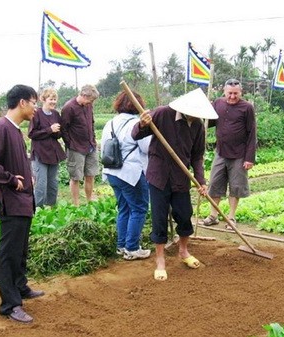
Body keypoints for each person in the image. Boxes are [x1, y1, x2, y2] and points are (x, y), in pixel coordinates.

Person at [0, 84, 44, 324]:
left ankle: (20, 287)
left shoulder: (15, 130)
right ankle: (10, 304)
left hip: (23, 202)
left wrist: (25, 175)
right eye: (34, 102)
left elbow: (12, 160)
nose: (36, 107)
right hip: (11, 203)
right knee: (9, 255)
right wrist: (10, 179)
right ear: (22, 103)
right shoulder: (2, 128)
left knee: (21, 250)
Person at [132, 88, 218, 281]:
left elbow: (197, 157)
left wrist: (200, 181)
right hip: (159, 176)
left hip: (181, 176)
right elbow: (135, 135)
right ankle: (160, 260)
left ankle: (183, 251)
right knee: (159, 218)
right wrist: (142, 124)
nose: (196, 116)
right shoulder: (163, 113)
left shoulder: (198, 127)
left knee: (185, 215)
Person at [101, 91, 152, 260]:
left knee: (124, 208)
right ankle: (132, 248)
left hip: (112, 172)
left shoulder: (110, 123)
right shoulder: (137, 124)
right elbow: (145, 148)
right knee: (138, 208)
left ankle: (121, 245)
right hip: (130, 173)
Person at [200, 79, 257, 229]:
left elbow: (252, 133)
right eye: (230, 93)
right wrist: (203, 111)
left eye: (235, 93)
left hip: (239, 154)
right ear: (224, 92)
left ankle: (231, 217)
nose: (232, 96)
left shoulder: (247, 108)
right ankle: (213, 215)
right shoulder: (218, 103)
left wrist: (249, 158)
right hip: (220, 152)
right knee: (215, 184)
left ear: (241, 92)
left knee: (236, 186)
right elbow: (209, 122)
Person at [61, 84, 100, 206]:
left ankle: (89, 200)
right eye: (90, 100)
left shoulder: (88, 106)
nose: (91, 103)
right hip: (76, 148)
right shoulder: (69, 107)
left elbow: (91, 123)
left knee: (90, 174)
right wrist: (70, 144)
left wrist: (93, 139)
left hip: (90, 146)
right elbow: (64, 129)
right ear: (83, 95)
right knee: (76, 177)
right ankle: (76, 204)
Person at [28, 88, 66, 207]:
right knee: (41, 184)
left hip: (53, 154)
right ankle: (37, 210)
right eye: (51, 99)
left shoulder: (55, 114)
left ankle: (51, 208)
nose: (53, 101)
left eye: (55, 99)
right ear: (43, 99)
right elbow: (32, 134)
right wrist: (50, 130)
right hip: (40, 153)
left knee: (53, 184)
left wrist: (57, 131)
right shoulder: (37, 114)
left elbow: (59, 134)